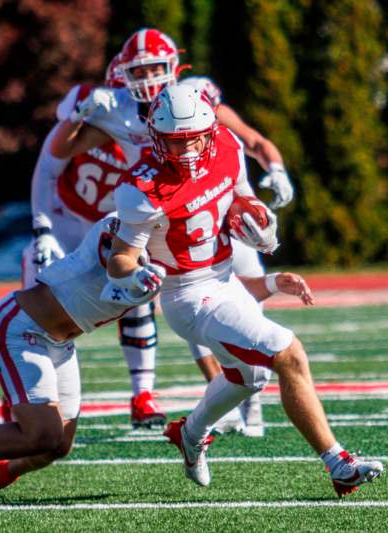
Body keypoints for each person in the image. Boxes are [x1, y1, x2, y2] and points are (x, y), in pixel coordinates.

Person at [106, 84, 384, 496]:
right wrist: (134, 275)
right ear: (155, 136)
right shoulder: (141, 188)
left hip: (225, 279)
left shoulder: (227, 147)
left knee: (247, 378)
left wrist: (258, 223)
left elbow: (243, 201)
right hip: (187, 294)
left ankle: (191, 433)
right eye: (172, 142)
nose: (183, 152)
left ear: (209, 131)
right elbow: (119, 258)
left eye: (191, 140)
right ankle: (338, 462)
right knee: (287, 352)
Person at [0, 209, 314, 504]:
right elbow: (116, 258)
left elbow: (210, 293)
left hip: (59, 340)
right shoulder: (127, 224)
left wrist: (272, 283)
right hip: (23, 327)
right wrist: (133, 273)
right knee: (42, 433)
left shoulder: (174, 240)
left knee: (57, 445)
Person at [49, 27, 297, 436]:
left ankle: (248, 400)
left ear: (174, 66)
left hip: (218, 203)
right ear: (123, 74)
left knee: (246, 302)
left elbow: (248, 139)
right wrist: (77, 114)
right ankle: (219, 400)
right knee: (194, 305)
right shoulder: (117, 108)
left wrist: (276, 170)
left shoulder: (197, 98)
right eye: (139, 71)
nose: (147, 79)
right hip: (162, 210)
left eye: (154, 69)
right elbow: (61, 149)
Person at [24, 53, 165, 429]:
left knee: (137, 291)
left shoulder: (152, 134)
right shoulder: (89, 123)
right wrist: (42, 228)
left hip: (114, 226)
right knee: (35, 289)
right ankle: (24, 396)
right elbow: (46, 169)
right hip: (70, 220)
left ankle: (143, 394)